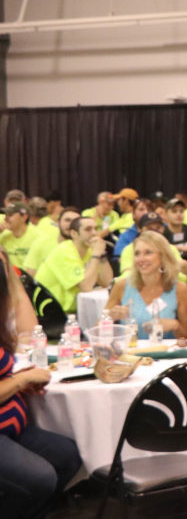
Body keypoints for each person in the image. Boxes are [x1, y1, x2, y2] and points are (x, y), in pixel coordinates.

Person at [0, 251, 82, 519]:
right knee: (41, 477)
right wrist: (20, 380)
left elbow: (28, 328)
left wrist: (16, 383)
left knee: (69, 455)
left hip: (12, 426)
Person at [105, 231, 187, 340]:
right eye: (137, 254)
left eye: (148, 253)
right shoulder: (121, 286)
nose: (141, 259)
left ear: (162, 257)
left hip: (166, 353)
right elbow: (98, 330)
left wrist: (175, 325)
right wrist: (109, 318)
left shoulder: (179, 289)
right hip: (131, 352)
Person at [34, 214, 113, 313]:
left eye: (95, 229)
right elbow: (86, 286)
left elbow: (107, 283)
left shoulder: (90, 250)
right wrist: (96, 255)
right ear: (74, 234)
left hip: (72, 311)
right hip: (50, 313)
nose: (94, 233)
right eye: (88, 229)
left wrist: (102, 255)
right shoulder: (64, 251)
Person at [0, 203, 38, 271]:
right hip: (10, 278)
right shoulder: (3, 236)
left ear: (24, 217)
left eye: (10, 215)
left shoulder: (38, 237)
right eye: (6, 215)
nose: (5, 218)